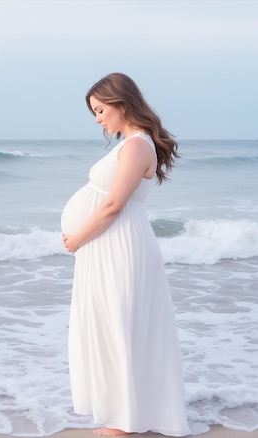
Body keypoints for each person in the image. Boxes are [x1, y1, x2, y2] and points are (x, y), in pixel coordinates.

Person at [60, 73, 190, 437]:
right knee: (111, 324)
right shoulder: (131, 144)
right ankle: (123, 414)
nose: (98, 119)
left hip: (118, 244)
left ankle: (123, 423)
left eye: (100, 110)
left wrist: (77, 239)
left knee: (120, 326)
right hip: (108, 243)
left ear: (121, 103)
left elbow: (114, 204)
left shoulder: (136, 146)